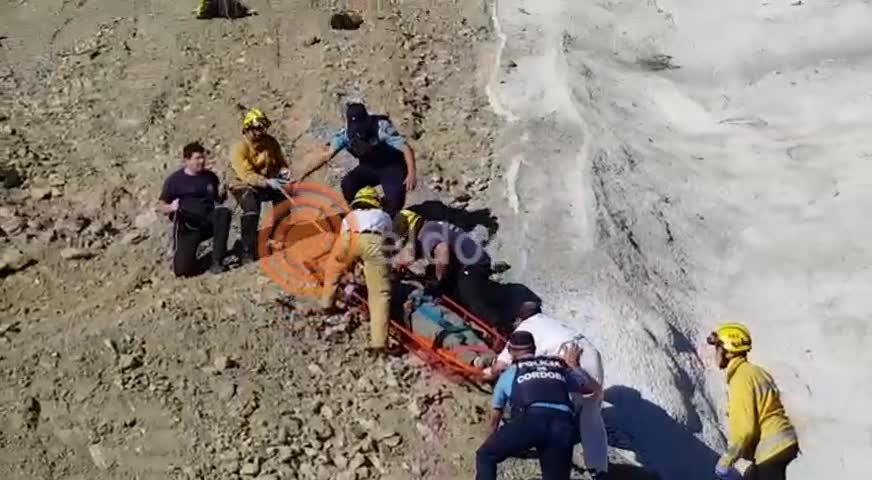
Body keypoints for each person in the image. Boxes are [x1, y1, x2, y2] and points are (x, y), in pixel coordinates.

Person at [483, 301, 608, 479]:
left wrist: (485, 372)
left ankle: (523, 442)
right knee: (591, 414)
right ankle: (599, 470)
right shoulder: (552, 323)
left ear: (520, 319)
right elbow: (591, 390)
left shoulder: (525, 329)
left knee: (540, 401)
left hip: (565, 356)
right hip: (589, 353)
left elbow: (502, 365)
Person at [707, 323, 800, 480]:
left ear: (728, 351)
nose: (715, 353)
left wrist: (725, 462)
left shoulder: (740, 379)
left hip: (771, 450)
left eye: (718, 347)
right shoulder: (756, 372)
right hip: (783, 444)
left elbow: (745, 430)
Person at [393, 209, 506, 332]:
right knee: (452, 288)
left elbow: (442, 252)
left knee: (470, 296)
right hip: (471, 260)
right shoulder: (432, 226)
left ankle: (498, 328)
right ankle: (476, 325)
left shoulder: (426, 234)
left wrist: (438, 281)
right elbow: (413, 253)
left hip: (472, 265)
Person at [297, 102, 416, 217]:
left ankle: (389, 217)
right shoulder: (345, 135)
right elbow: (326, 155)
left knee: (395, 198)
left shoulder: (381, 127)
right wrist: (304, 174)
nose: (360, 132)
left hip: (391, 166)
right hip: (369, 167)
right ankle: (362, 211)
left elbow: (406, 148)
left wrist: (411, 174)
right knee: (348, 184)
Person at [320, 186, 393, 356]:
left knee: (333, 269)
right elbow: (388, 244)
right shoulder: (384, 216)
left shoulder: (350, 216)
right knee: (380, 294)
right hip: (373, 240)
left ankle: (326, 304)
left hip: (348, 237)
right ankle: (379, 344)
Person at [158, 142, 231, 277]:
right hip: (188, 226)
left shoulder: (210, 177)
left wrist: (222, 195)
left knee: (223, 213)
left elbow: (216, 200)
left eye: (203, 157)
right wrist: (172, 207)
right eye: (197, 158)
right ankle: (197, 263)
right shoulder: (175, 181)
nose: (202, 161)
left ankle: (217, 261)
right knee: (182, 271)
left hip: (207, 222)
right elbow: (161, 206)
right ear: (187, 160)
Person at [229, 108, 292, 263]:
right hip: (243, 184)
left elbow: (280, 162)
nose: (260, 133)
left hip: (267, 181)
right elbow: (247, 175)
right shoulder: (240, 148)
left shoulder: (270, 142)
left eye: (262, 129)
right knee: (251, 207)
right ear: (248, 128)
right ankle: (247, 250)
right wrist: (267, 182)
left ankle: (278, 238)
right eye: (257, 129)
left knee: (285, 198)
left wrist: (284, 174)